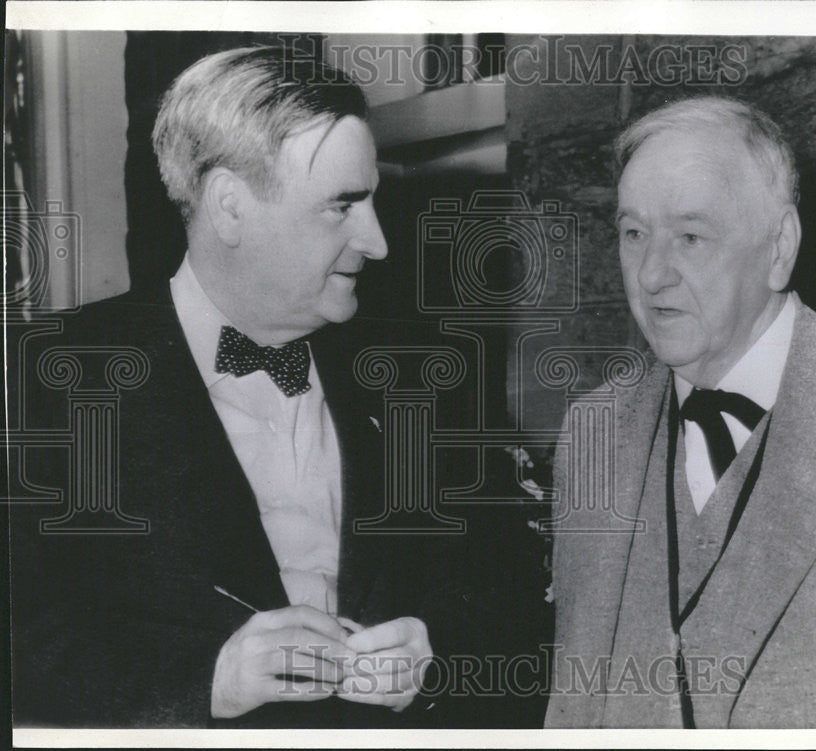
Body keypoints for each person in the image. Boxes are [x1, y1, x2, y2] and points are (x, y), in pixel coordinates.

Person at [11, 45, 544, 729]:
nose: (377, 240)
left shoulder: (429, 376)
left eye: (371, 200)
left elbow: (520, 602)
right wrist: (205, 684)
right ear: (230, 207)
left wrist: (436, 662)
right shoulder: (43, 380)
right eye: (341, 206)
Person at [544, 96, 816, 728]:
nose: (652, 273)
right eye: (634, 233)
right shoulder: (591, 433)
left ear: (779, 247)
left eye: (690, 236)